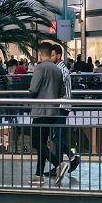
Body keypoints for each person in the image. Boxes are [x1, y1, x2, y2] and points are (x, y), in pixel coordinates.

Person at [29, 43, 64, 183]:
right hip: (53, 111)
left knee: (36, 142)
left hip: (40, 110)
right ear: (51, 53)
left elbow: (33, 89)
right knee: (42, 143)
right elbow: (61, 92)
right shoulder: (57, 69)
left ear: (40, 53)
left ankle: (58, 164)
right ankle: (39, 175)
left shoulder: (40, 68)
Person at [50, 44, 81, 181]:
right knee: (56, 136)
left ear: (58, 55)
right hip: (60, 106)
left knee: (56, 137)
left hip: (62, 106)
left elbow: (56, 88)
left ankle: (72, 157)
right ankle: (60, 164)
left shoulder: (61, 69)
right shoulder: (59, 68)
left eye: (52, 55)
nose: (50, 58)